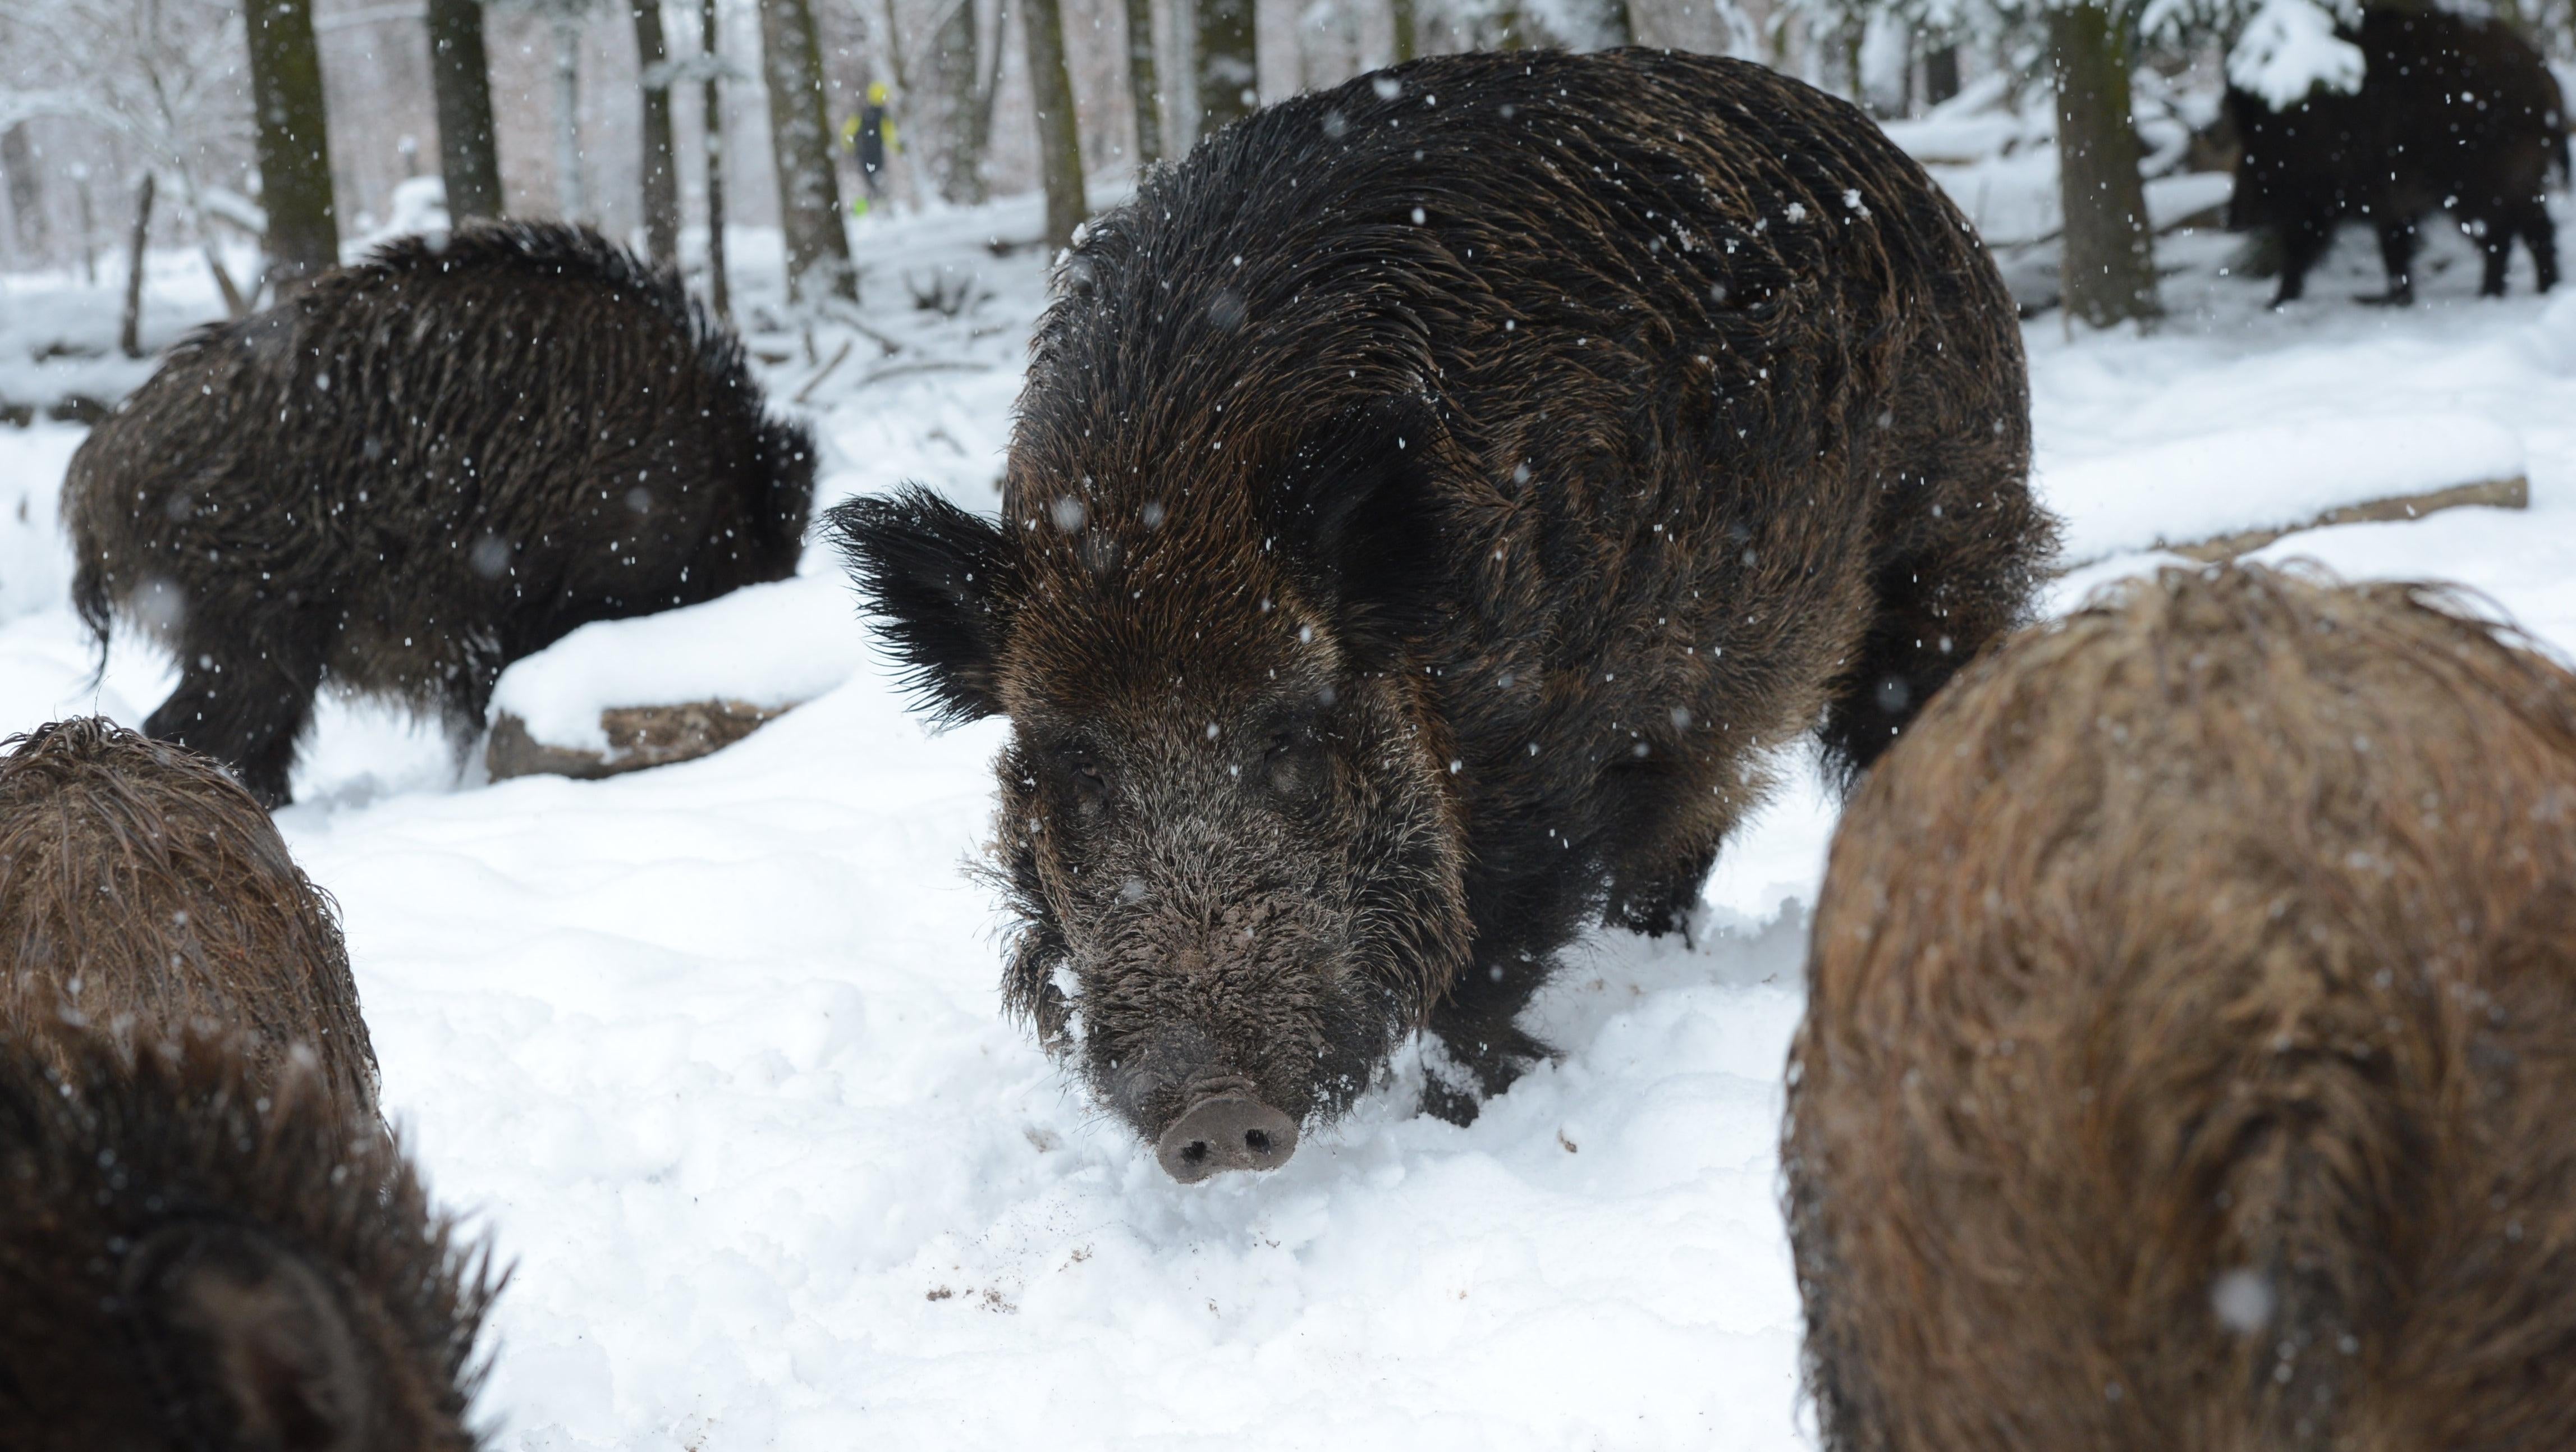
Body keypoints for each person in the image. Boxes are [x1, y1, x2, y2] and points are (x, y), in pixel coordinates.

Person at [842, 82, 895, 215]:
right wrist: (899, 148)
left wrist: (851, 148)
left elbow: (847, 133)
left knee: (869, 184)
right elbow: (890, 136)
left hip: (863, 155)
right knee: (877, 184)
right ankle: (878, 211)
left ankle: (863, 212)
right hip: (877, 156)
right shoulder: (883, 116)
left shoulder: (862, 114)